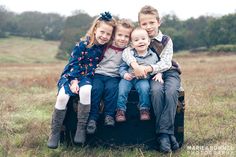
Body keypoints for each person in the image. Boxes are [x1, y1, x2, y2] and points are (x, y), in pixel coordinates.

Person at [47, 12, 116, 149]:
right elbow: (74, 64)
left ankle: (81, 128)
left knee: (86, 91)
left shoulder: (104, 48)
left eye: (108, 34)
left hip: (87, 77)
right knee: (62, 97)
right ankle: (54, 132)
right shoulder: (82, 45)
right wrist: (73, 81)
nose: (104, 36)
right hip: (72, 75)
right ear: (95, 29)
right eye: (102, 32)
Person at [122, 6, 181, 153]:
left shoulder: (166, 40)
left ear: (158, 22)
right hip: (153, 76)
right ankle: (167, 135)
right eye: (144, 24)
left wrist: (147, 69)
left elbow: (166, 63)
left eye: (151, 23)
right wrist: (135, 65)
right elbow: (126, 52)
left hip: (169, 72)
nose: (148, 27)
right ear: (139, 24)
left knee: (171, 92)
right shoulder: (139, 37)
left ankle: (165, 133)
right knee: (155, 91)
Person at [86, 19, 134, 134]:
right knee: (96, 90)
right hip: (99, 74)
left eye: (126, 36)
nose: (122, 38)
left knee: (112, 90)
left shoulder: (128, 51)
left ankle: (109, 116)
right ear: (114, 35)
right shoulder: (106, 45)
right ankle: (92, 118)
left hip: (114, 76)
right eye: (120, 35)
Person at [116, 27, 163, 122]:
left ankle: (144, 109)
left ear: (149, 41)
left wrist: (159, 74)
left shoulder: (153, 56)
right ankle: (120, 110)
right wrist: (124, 74)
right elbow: (122, 67)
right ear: (132, 44)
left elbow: (159, 66)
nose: (140, 41)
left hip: (143, 80)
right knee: (122, 90)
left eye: (143, 39)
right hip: (128, 79)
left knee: (145, 89)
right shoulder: (130, 55)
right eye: (136, 40)